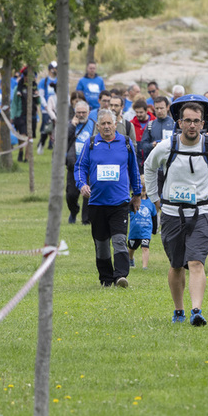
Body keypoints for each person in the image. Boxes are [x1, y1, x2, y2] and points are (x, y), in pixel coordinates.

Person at [143, 101, 208, 326]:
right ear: (179, 122)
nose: (192, 125)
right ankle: (179, 310)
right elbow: (149, 166)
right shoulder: (167, 146)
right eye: (188, 121)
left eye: (196, 121)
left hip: (201, 212)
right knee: (175, 265)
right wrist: (154, 198)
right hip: (172, 214)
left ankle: (196, 310)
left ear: (203, 124)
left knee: (196, 262)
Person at [75, 109, 142, 288]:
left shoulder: (126, 143)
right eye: (102, 124)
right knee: (102, 243)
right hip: (96, 202)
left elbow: (134, 170)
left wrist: (137, 194)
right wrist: (82, 184)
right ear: (98, 126)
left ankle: (121, 275)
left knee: (119, 239)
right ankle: (106, 278)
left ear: (115, 124)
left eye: (109, 123)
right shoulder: (90, 144)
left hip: (120, 202)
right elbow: (80, 167)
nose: (106, 127)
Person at [65, 100, 95, 225]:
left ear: (88, 112)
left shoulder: (93, 125)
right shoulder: (69, 125)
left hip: (89, 164)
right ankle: (73, 210)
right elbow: (62, 140)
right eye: (78, 113)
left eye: (84, 112)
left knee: (88, 193)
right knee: (71, 194)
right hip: (73, 164)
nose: (81, 115)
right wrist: (72, 125)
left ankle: (86, 220)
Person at [128, 195, 155, 270]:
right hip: (134, 231)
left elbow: (154, 215)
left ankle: (144, 267)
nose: (142, 192)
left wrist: (154, 229)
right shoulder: (132, 201)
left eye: (144, 190)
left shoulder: (150, 202)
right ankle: (130, 259)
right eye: (141, 191)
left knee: (145, 247)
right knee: (131, 248)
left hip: (146, 230)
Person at [37, 61, 58, 154]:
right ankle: (41, 144)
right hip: (46, 109)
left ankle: (54, 146)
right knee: (47, 128)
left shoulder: (60, 81)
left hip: (57, 109)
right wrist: (45, 106)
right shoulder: (44, 81)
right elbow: (41, 95)